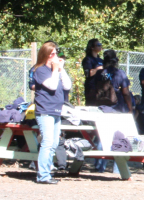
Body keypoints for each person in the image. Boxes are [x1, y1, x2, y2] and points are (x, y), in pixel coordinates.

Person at [32, 41, 72, 184]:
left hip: (56, 111)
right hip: (45, 111)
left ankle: (47, 172)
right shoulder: (40, 70)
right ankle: (43, 175)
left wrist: (61, 69)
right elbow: (52, 86)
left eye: (56, 53)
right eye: (53, 54)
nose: (56, 56)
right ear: (46, 55)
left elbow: (67, 85)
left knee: (54, 143)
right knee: (47, 142)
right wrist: (55, 70)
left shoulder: (56, 70)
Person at [94, 50, 134, 174]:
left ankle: (99, 167)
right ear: (115, 61)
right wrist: (130, 108)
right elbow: (126, 92)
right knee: (119, 138)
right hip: (118, 109)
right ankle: (117, 169)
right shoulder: (120, 73)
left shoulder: (99, 74)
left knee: (102, 137)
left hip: (102, 108)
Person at [81, 39, 104, 104]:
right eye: (98, 45)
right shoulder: (87, 59)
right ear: (92, 47)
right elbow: (88, 73)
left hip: (100, 88)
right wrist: (99, 68)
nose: (100, 46)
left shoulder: (101, 60)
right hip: (92, 88)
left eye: (100, 45)